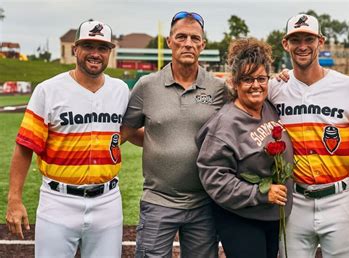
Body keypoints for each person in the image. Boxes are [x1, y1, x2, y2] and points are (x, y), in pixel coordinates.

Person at [5, 19, 129, 257]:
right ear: (75, 49)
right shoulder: (48, 90)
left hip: (108, 201)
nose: (95, 53)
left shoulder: (121, 90)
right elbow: (24, 146)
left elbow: (128, 131)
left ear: (110, 52)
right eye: (88, 46)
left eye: (102, 48)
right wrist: (14, 199)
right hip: (58, 201)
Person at [121, 11, 226, 258]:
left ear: (203, 44)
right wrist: (157, 141)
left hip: (204, 203)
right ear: (169, 41)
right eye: (181, 37)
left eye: (194, 38)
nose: (187, 43)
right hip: (158, 200)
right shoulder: (147, 85)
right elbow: (125, 132)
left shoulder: (219, 89)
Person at [268, 14, 349, 257]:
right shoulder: (274, 87)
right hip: (294, 199)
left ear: (321, 42)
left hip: (339, 197)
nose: (303, 46)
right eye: (295, 39)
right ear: (285, 44)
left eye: (309, 38)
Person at [196, 38, 293, 258]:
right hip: (241, 218)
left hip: (271, 215)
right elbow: (214, 177)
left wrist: (285, 76)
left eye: (261, 78)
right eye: (248, 79)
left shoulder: (268, 107)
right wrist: (260, 193)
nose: (256, 85)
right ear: (235, 83)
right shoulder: (225, 123)